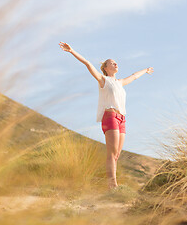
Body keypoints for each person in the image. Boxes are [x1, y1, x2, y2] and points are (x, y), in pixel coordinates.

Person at [59, 42, 154, 190]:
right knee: (111, 152)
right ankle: (112, 184)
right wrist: (72, 51)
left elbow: (134, 76)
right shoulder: (103, 80)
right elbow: (88, 63)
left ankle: (111, 183)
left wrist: (145, 70)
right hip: (109, 117)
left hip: (122, 118)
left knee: (116, 155)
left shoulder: (120, 82)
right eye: (112, 63)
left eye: (116, 63)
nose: (115, 64)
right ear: (105, 68)